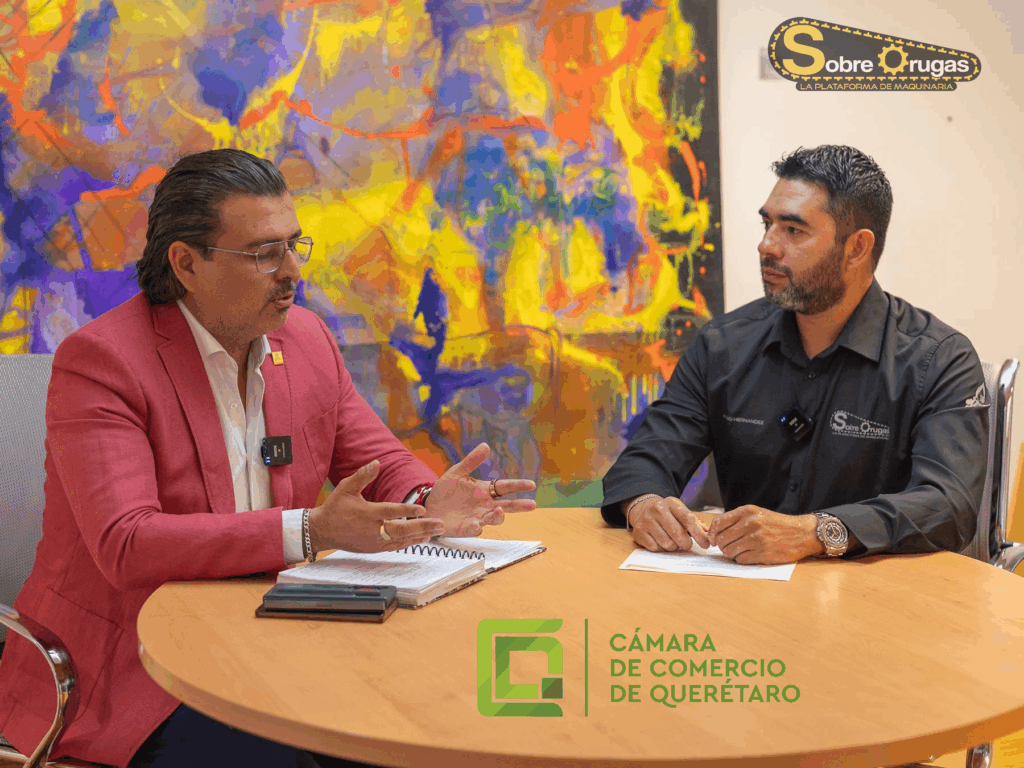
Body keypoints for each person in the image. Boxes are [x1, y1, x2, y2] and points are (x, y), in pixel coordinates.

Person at [0, 148, 537, 768]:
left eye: (293, 245)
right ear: (186, 263)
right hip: (134, 672)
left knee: (424, 732)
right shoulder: (104, 362)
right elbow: (128, 543)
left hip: (279, 638)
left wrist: (426, 502)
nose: (291, 272)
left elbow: (378, 462)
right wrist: (310, 531)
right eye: (263, 253)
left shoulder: (304, 338)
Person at [602, 145, 988, 564]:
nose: (766, 245)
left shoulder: (939, 360)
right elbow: (646, 459)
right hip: (742, 587)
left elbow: (949, 505)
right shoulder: (723, 344)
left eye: (793, 230)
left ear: (857, 248)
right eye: (767, 224)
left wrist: (817, 532)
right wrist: (643, 504)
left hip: (875, 591)